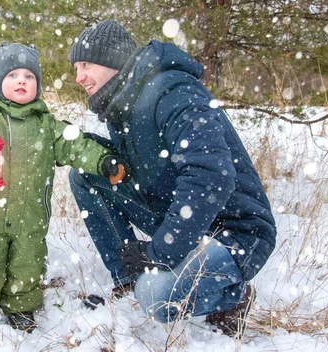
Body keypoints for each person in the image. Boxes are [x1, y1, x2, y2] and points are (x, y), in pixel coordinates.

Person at [68, 20, 277, 338]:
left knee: (156, 295)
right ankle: (128, 278)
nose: (79, 76)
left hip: (235, 231)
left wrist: (159, 253)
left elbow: (210, 174)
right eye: (76, 68)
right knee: (86, 175)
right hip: (182, 219)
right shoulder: (122, 104)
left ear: (112, 59)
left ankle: (232, 295)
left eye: (86, 64)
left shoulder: (171, 88)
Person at [0, 41, 128, 333]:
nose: (21, 81)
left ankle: (21, 308)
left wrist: (103, 160)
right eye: (13, 75)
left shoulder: (47, 124)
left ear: (37, 85)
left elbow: (76, 145)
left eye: (29, 76)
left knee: (27, 266)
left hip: (31, 216)